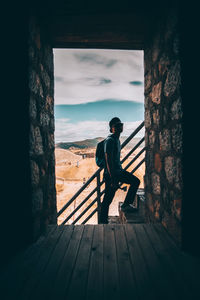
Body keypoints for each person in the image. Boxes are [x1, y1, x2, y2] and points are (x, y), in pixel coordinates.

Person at [99, 117, 140, 224]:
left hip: (116, 172)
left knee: (108, 199)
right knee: (108, 199)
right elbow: (108, 161)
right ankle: (103, 222)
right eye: (116, 126)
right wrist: (113, 179)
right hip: (112, 174)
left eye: (120, 124)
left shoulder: (117, 140)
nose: (119, 126)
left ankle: (125, 205)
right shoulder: (110, 140)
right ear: (111, 129)